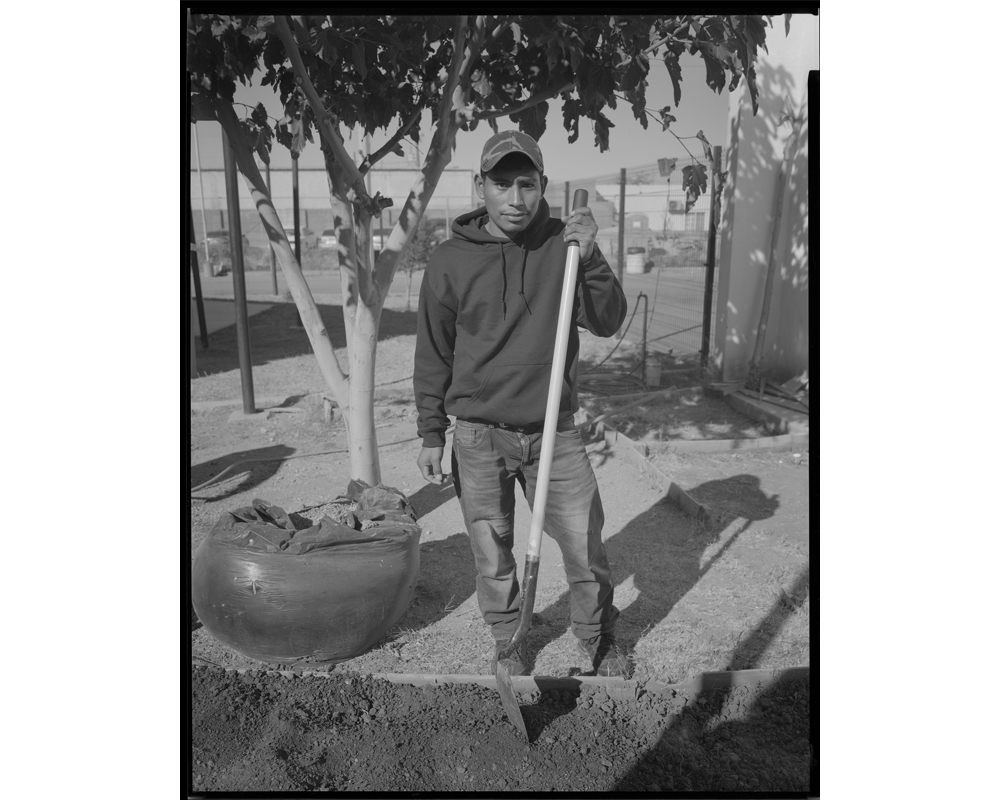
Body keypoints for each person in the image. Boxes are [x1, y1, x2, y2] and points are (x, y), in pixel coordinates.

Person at [413, 130, 632, 678]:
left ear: (543, 186)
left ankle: (596, 638)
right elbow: (434, 350)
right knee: (492, 550)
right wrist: (430, 431)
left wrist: (594, 256)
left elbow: (606, 321)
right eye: (502, 184)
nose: (515, 198)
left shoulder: (567, 245)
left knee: (584, 541)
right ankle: (510, 642)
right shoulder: (448, 261)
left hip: (554, 430)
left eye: (527, 184)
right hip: (478, 433)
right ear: (480, 185)